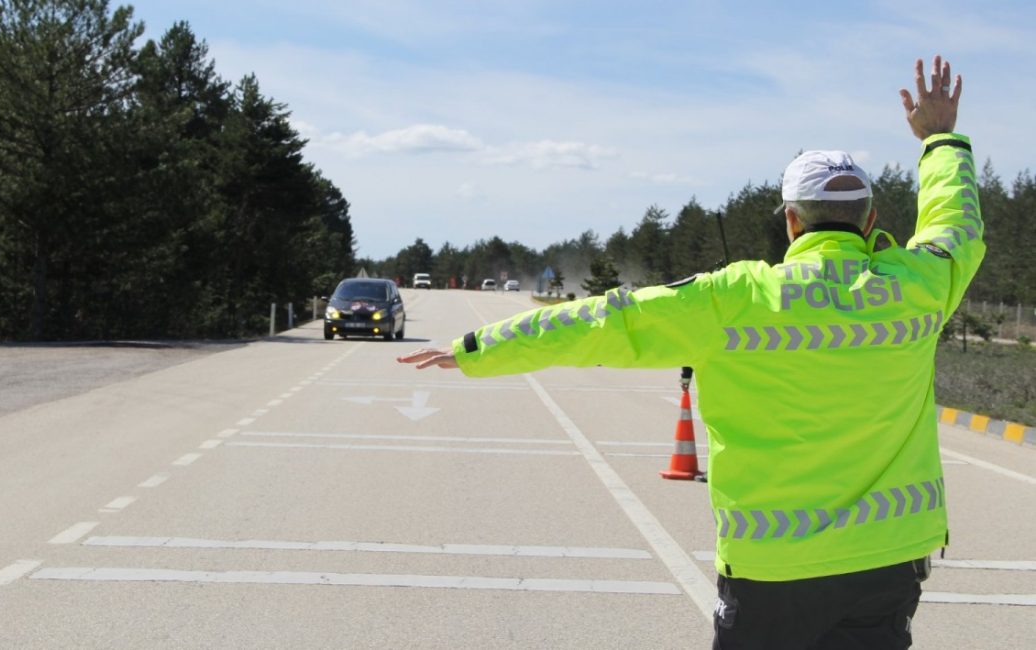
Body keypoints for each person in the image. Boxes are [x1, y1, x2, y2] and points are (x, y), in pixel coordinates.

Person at [398, 55, 982, 650]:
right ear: (871, 218)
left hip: (771, 570)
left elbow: (604, 321)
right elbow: (955, 225)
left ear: (790, 221)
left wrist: (479, 346)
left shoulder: (735, 297)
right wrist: (940, 139)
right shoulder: (919, 287)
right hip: (887, 564)